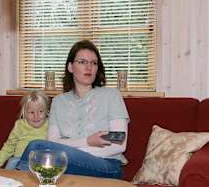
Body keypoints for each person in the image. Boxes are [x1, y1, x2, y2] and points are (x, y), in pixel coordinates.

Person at [17, 39, 129, 179]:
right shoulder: (58, 101)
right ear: (70, 67)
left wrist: (73, 151)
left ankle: (16, 182)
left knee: (36, 147)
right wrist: (87, 141)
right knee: (41, 151)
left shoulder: (111, 95)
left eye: (94, 63)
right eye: (82, 62)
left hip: (107, 165)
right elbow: (53, 141)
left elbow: (119, 145)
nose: (89, 67)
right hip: (68, 162)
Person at [0, 91, 49, 170]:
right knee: (11, 165)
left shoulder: (50, 125)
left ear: (46, 111)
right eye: (31, 112)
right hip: (18, 161)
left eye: (41, 111)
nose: (36, 116)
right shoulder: (20, 125)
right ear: (24, 113)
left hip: (41, 163)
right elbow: (8, 147)